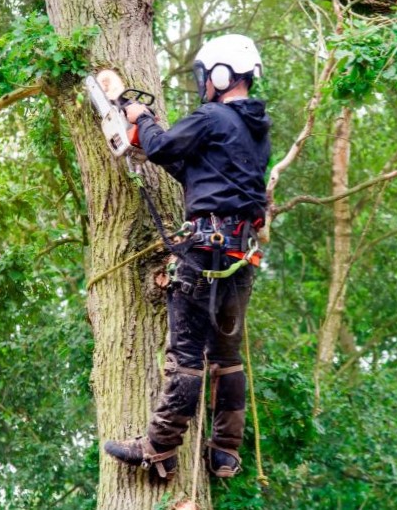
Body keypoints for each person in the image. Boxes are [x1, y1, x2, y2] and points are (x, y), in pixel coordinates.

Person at [103, 34, 271, 480]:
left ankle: (160, 446)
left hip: (205, 251)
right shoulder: (257, 131)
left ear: (222, 75)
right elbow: (197, 171)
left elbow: (163, 147)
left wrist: (142, 119)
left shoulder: (212, 116)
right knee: (227, 355)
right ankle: (225, 451)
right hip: (240, 254)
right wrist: (151, 138)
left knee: (186, 355)